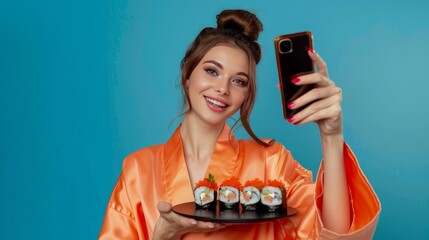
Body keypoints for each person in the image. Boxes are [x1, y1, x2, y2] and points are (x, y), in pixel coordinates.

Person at [99, 9, 380, 240]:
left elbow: (336, 236)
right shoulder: (138, 170)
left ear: (247, 94)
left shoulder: (273, 161)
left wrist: (332, 137)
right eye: (212, 71)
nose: (222, 88)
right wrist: (163, 237)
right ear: (188, 75)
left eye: (238, 81)